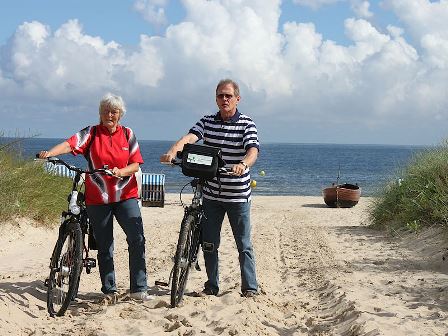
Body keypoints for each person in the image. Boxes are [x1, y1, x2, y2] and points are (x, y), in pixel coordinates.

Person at [39, 93, 151, 302]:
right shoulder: (91, 133)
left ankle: (139, 288)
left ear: (120, 114)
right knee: (105, 245)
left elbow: (136, 164)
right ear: (100, 113)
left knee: (137, 238)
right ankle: (109, 290)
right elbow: (70, 144)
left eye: (114, 111)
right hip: (98, 198)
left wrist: (121, 171)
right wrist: (50, 154)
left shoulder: (128, 134)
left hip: (125, 194)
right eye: (106, 111)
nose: (110, 114)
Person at [160, 79, 260, 297]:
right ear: (216, 99)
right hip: (212, 193)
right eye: (220, 96)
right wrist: (173, 151)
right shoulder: (207, 121)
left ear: (237, 99)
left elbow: (253, 150)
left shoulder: (246, 123)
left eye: (228, 96)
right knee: (209, 243)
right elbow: (190, 137)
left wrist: (243, 164)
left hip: (237, 195)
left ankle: (250, 288)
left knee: (243, 244)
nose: (224, 99)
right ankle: (211, 286)